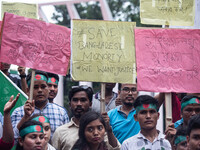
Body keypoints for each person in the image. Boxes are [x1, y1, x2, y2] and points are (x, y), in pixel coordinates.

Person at [52, 85, 119, 150]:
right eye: (75, 100)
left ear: (90, 104)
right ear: (70, 104)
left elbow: (117, 149)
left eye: (83, 100)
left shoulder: (100, 129)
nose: (79, 104)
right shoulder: (60, 132)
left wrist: (109, 130)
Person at [11, 70, 69, 142]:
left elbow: (66, 140)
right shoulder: (19, 112)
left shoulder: (61, 113)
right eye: (35, 87)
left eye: (43, 86)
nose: (40, 90)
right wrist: (25, 117)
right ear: (28, 91)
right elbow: (13, 139)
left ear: (48, 89)